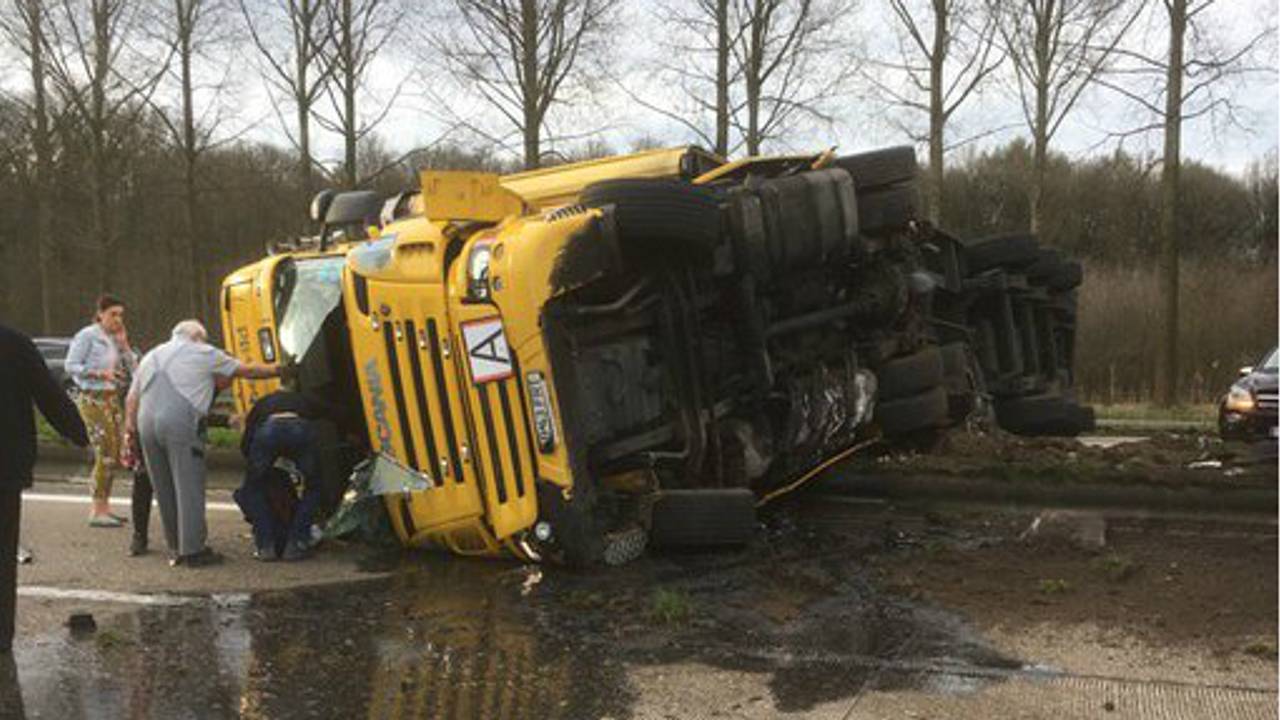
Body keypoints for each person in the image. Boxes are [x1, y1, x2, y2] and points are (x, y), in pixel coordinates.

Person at [124, 320, 279, 568]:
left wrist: (130, 431)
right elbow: (247, 370)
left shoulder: (151, 356)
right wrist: (280, 370)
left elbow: (132, 399)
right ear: (197, 336)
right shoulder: (202, 351)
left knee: (163, 487)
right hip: (178, 421)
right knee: (188, 484)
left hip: (145, 423)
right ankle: (194, 551)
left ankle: (176, 546)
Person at [1, 323, 89, 653]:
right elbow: (48, 394)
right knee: (3, 552)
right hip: (6, 463)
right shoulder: (14, 343)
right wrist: (78, 432)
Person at [235, 390, 328, 561]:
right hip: (299, 428)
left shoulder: (262, 403)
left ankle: (265, 546)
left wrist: (257, 466)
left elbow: (247, 442)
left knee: (253, 489)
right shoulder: (303, 398)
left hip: (268, 430)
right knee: (314, 487)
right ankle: (297, 543)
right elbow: (332, 412)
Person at [65, 294, 130, 527]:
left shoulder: (113, 339)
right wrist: (99, 373)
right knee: (105, 453)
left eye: (121, 315)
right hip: (92, 398)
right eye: (113, 314)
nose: (118, 319)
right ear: (100, 314)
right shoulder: (87, 335)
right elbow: (71, 365)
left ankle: (105, 506)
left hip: (112, 398)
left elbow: (132, 368)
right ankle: (97, 510)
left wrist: (124, 347)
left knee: (116, 453)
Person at [110, 325, 153, 557]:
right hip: (133, 421)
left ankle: (142, 537)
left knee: (144, 481)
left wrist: (125, 347)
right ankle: (139, 536)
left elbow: (138, 381)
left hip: (141, 419)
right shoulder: (100, 356)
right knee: (142, 481)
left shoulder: (137, 358)